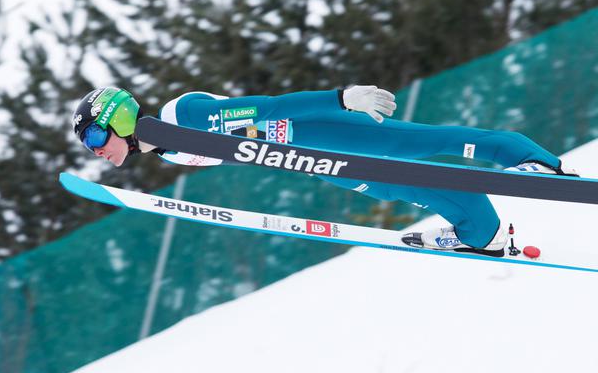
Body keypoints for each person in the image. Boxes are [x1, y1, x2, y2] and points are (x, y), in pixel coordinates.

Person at [72, 85, 578, 257]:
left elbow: (268, 108)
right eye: (89, 145)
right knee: (409, 186)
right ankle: (482, 232)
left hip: (323, 130)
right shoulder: (166, 149)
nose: (97, 150)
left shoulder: (184, 118)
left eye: (96, 136)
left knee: (430, 141)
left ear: (118, 117)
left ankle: (534, 163)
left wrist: (340, 98)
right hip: (317, 162)